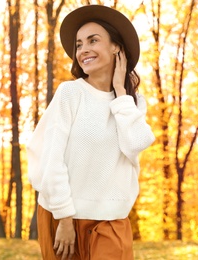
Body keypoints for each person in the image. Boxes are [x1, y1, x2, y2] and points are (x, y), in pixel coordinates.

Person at [27, 5, 155, 260]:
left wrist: (120, 91)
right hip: (62, 215)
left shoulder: (131, 101)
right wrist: (64, 217)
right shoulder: (70, 93)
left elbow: (137, 142)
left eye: (93, 40)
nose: (83, 49)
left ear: (116, 47)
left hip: (112, 220)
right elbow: (52, 160)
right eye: (78, 44)